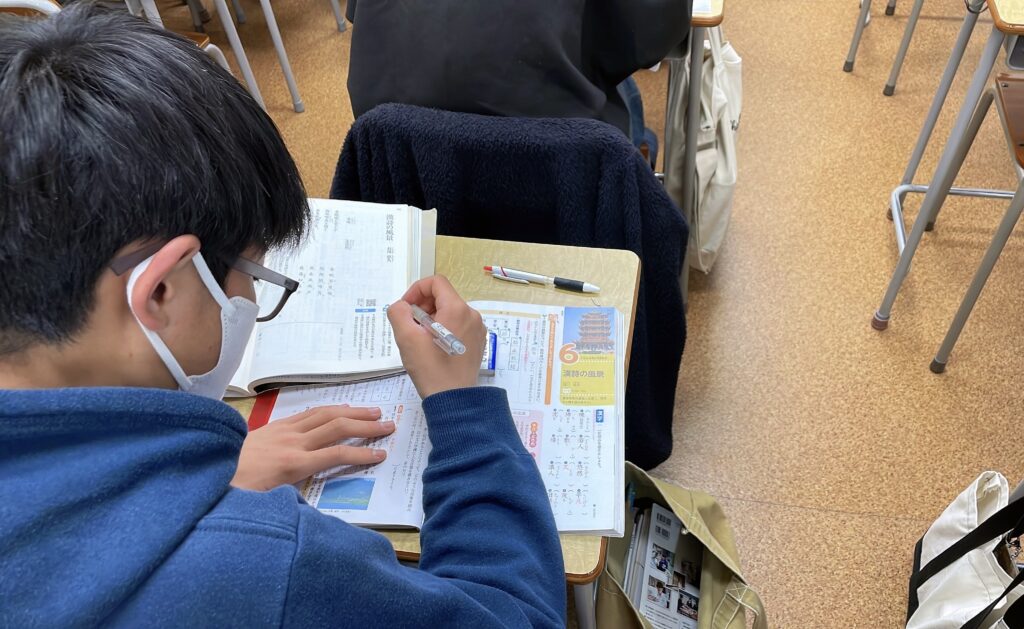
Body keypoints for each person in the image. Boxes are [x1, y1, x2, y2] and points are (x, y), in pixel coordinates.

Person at [0, 4, 565, 627]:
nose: (249, 294)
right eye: (252, 272)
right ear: (160, 291)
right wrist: (465, 409)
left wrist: (191, 483)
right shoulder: (265, 567)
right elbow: (514, 617)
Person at [345, 0, 692, 139]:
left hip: (401, 161)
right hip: (555, 172)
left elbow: (359, 15)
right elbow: (655, 36)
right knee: (625, 99)